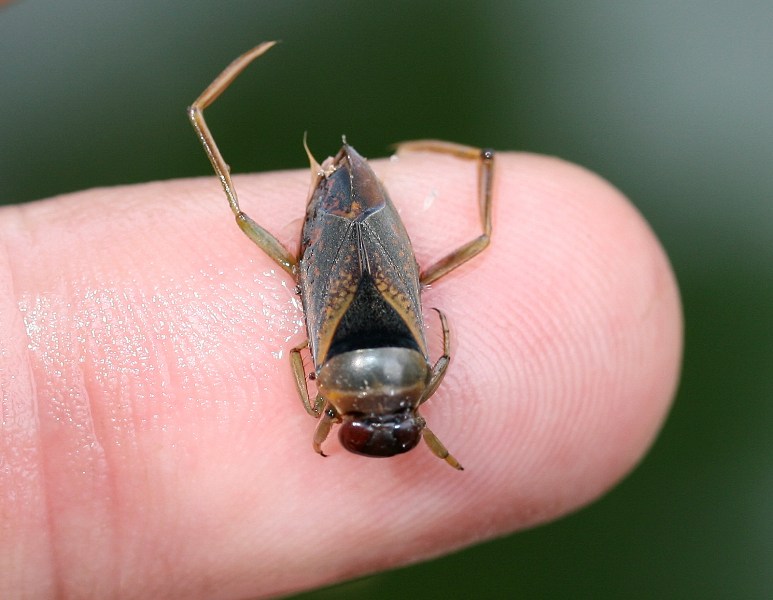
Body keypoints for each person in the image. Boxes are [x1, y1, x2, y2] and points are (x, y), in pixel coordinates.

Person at [0, 149, 682, 598]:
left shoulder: (410, 380)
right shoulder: (330, 394)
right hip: (346, 284)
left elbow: (436, 360)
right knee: (247, 219)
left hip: (346, 255)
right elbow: (353, 388)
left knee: (472, 241)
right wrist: (316, 375)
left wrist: (428, 352)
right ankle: (206, 119)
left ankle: (477, 163)